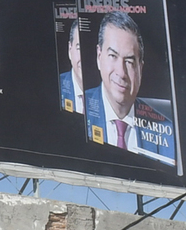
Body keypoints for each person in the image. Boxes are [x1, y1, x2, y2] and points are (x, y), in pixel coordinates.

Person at [85, 11, 176, 163]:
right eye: (113, 56)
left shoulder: (166, 130)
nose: (121, 73)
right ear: (99, 56)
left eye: (129, 61)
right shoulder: (80, 110)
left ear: (140, 68)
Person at [57, 17, 87, 113]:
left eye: (88, 49)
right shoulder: (57, 85)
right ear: (70, 49)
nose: (84, 58)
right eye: (79, 48)